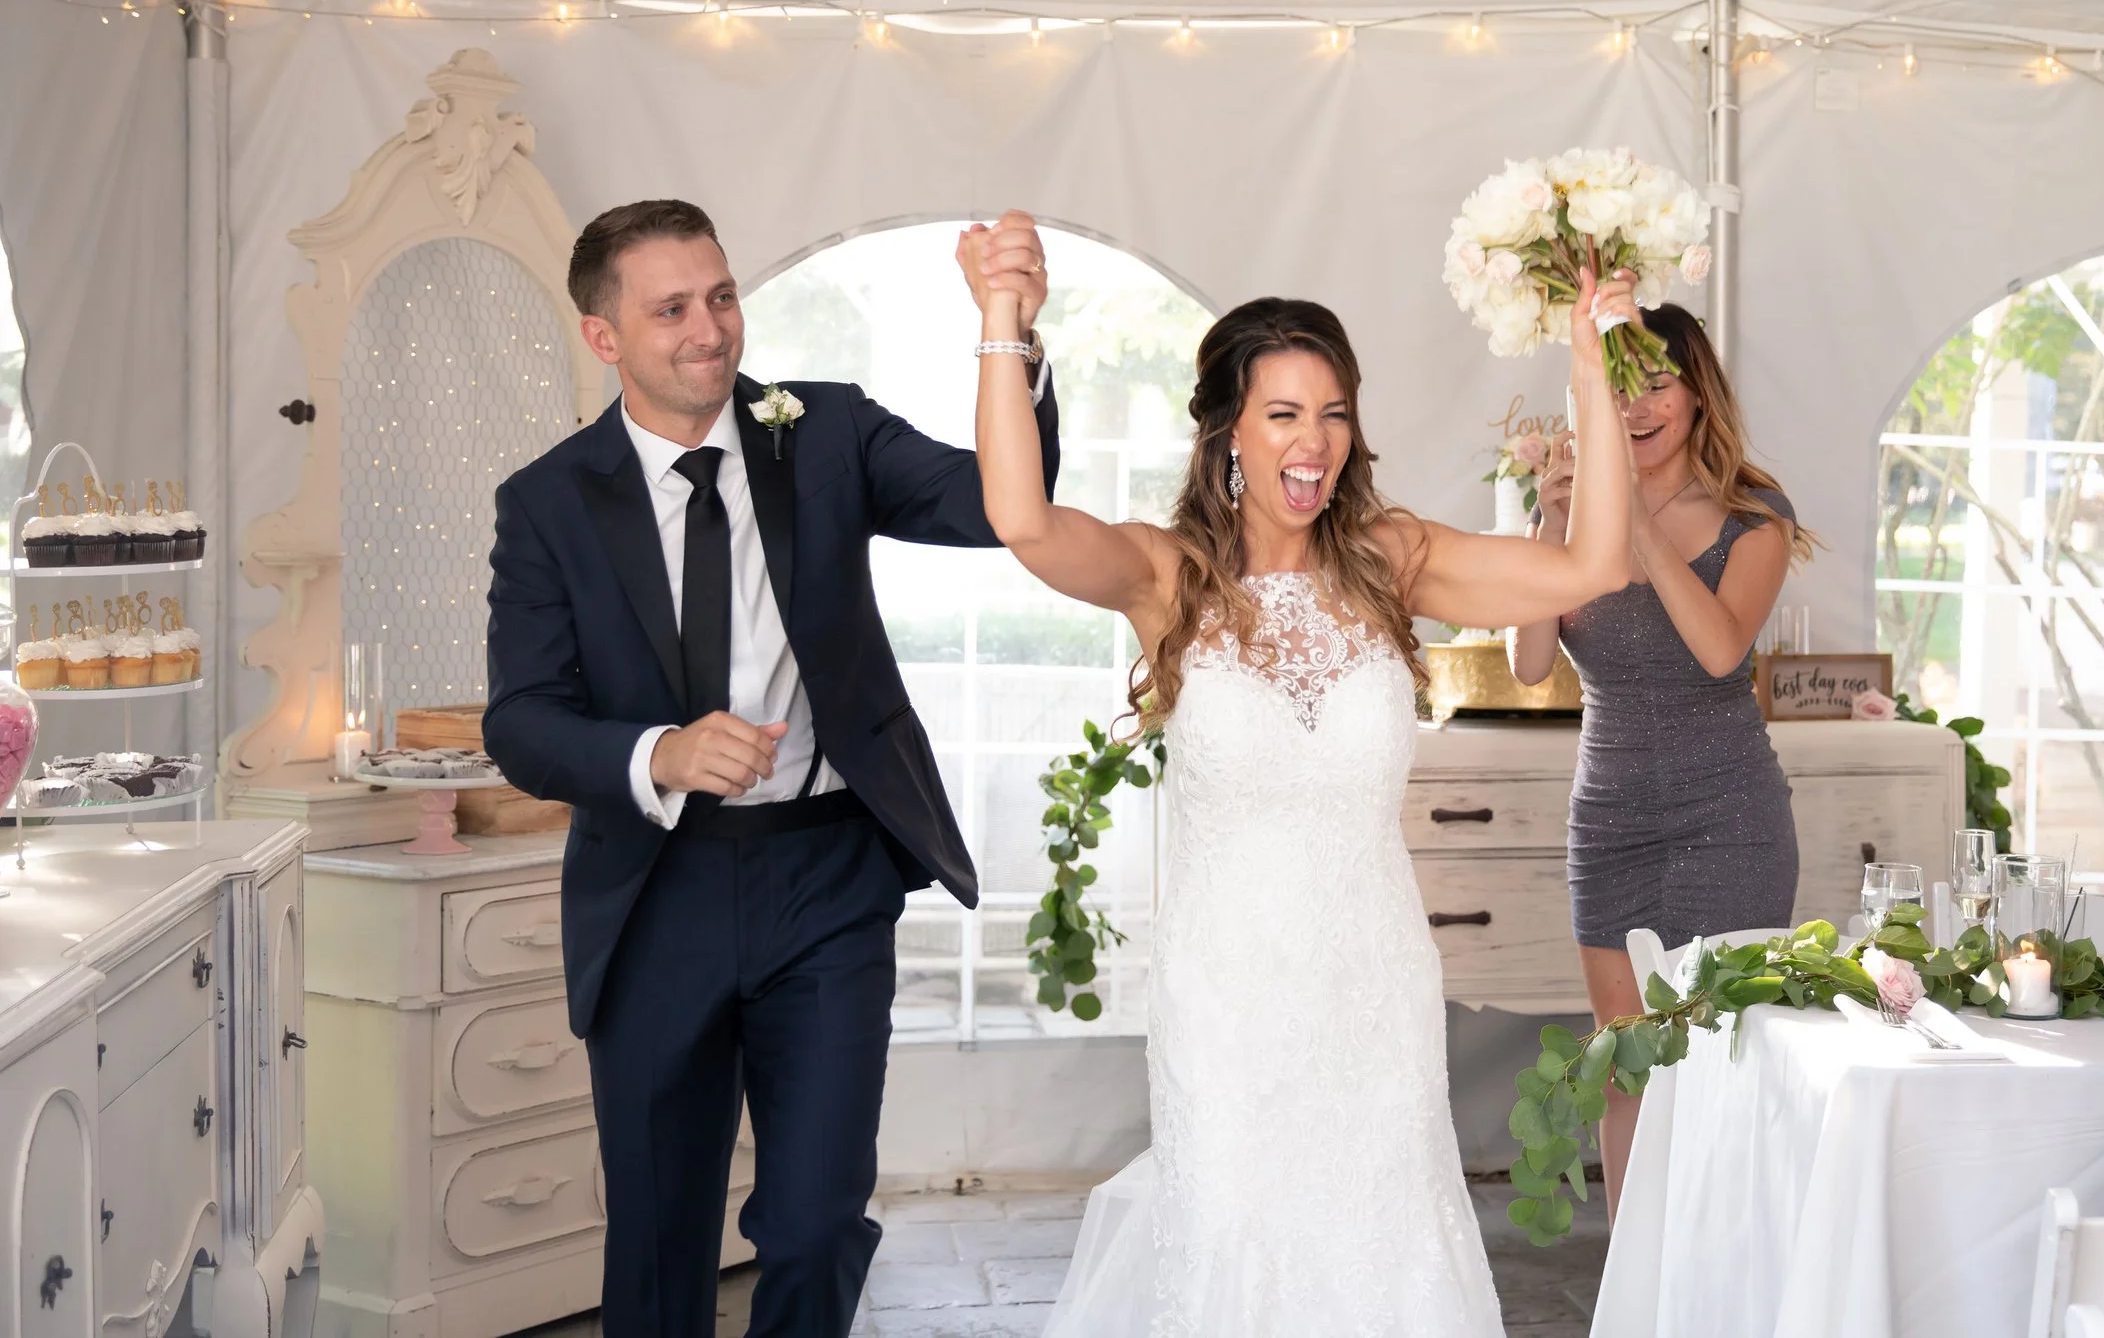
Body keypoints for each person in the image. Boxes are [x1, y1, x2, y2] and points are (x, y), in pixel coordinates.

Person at [959, 212, 1640, 1335]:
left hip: (1374, 985)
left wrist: (1588, 370)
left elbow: (1594, 564)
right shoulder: (1167, 576)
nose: (1312, 438)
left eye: (1332, 412)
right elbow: (1020, 519)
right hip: (1226, 995)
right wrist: (1002, 317)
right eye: (1282, 413)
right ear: (1228, 431)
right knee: (1238, 1245)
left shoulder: (1392, 560)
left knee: (1381, 1250)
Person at [482, 199, 1060, 1338]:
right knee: (660, 1246)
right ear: (604, 337)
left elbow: (1000, 508)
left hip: (827, 878)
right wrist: (659, 751)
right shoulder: (547, 502)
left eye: (721, 295)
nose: (710, 328)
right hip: (657, 892)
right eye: (671, 310)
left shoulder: (826, 430)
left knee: (815, 1224)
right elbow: (523, 721)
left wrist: (1010, 331)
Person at [1508, 301, 1811, 1218]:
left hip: (1731, 821)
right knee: (1622, 1061)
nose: (1637, 406)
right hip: (1610, 821)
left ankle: (1717, 1275)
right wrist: (1552, 528)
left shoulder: (1753, 518)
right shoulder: (1573, 514)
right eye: (1618, 388)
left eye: (1658, 383)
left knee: (1719, 1060)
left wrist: (1632, 520)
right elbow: (1529, 663)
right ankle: (1632, 1283)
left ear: (1698, 392)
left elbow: (1720, 650)